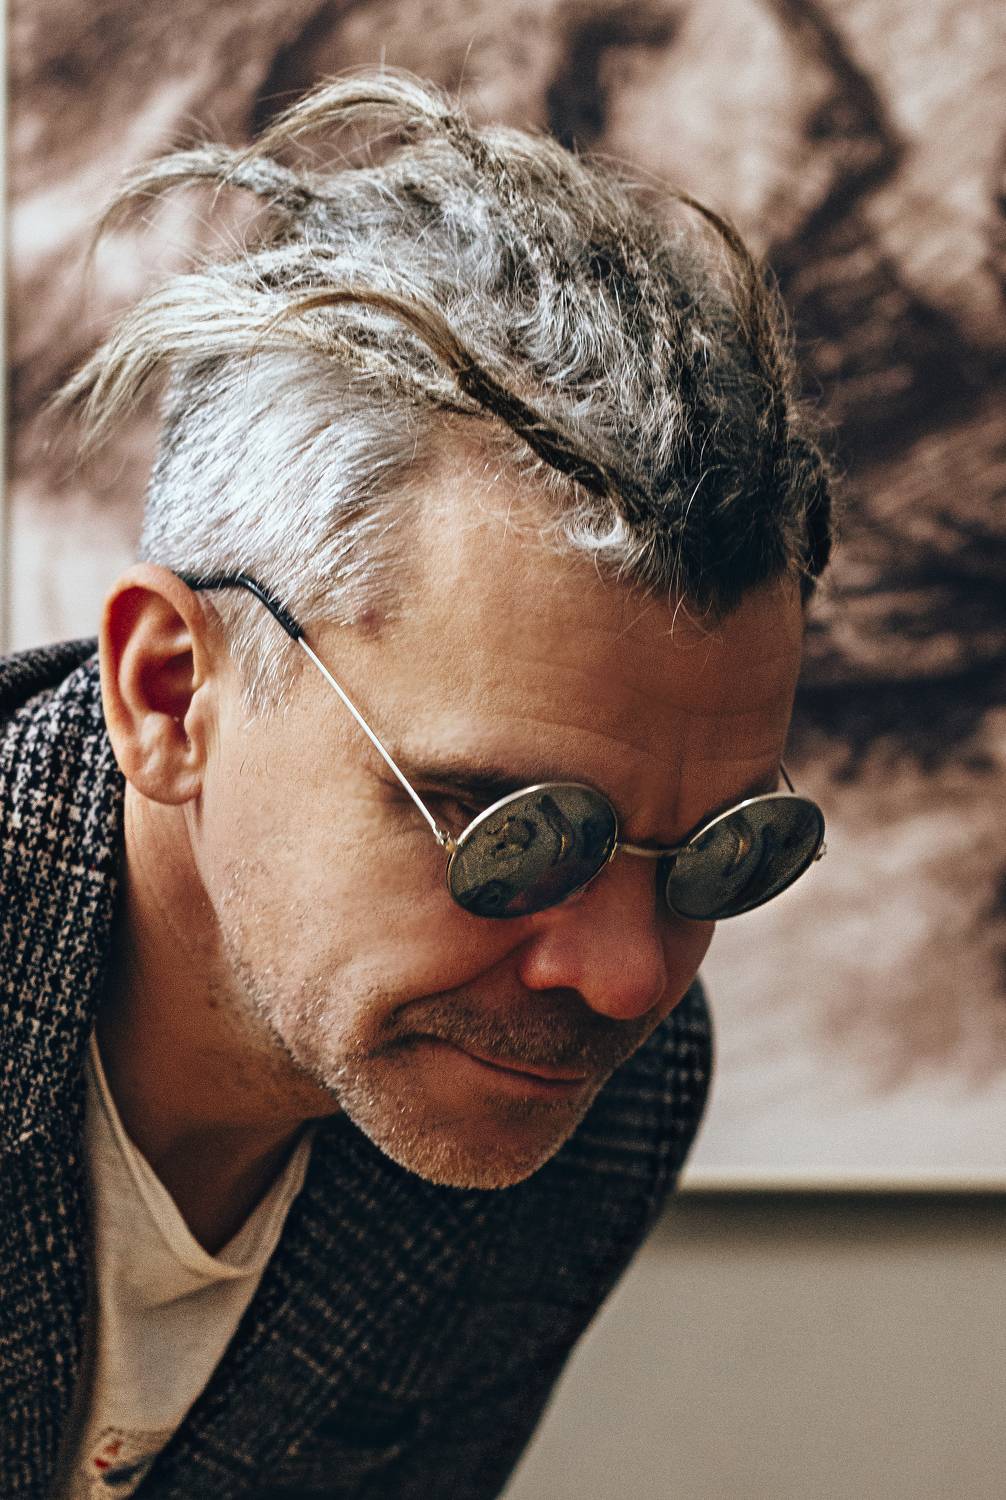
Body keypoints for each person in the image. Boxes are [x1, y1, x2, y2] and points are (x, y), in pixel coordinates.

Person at [0, 70, 832, 1500]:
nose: (626, 980)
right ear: (170, 695)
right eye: (514, 829)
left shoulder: (606, 1102)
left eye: (721, 854)